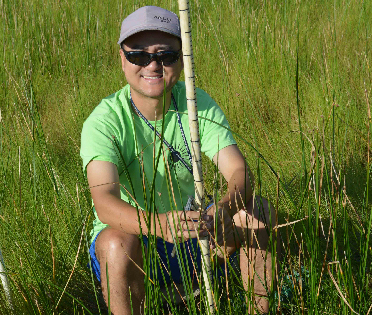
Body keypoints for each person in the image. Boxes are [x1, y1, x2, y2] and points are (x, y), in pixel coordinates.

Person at [80, 6, 276, 314]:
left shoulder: (197, 104)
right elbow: (104, 202)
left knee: (256, 211)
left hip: (194, 233)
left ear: (182, 58)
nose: (153, 65)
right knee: (115, 243)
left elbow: (239, 171)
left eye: (165, 55)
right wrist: (158, 225)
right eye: (139, 55)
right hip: (138, 243)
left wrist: (225, 208)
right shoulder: (104, 121)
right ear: (122, 58)